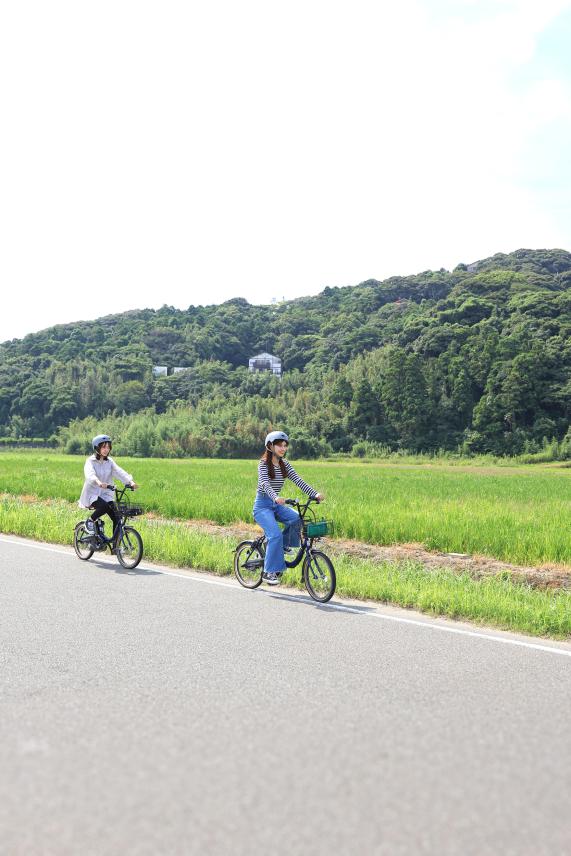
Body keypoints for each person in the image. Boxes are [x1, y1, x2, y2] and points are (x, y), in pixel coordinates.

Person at [253, 430, 324, 585]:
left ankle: (281, 546)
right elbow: (265, 484)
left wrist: (315, 494)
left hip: (275, 505)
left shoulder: (285, 465)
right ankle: (268, 572)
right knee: (275, 535)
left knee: (296, 518)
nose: (283, 448)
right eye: (279, 445)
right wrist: (276, 497)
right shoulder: (263, 464)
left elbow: (299, 481)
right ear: (270, 446)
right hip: (262, 506)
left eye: (285, 446)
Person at [78, 435, 138, 548]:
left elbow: (119, 472)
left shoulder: (109, 462)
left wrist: (131, 482)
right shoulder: (90, 461)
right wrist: (98, 482)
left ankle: (115, 545)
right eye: (103, 447)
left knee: (117, 517)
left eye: (108, 447)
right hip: (92, 493)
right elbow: (90, 474)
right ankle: (90, 521)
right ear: (97, 448)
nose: (106, 450)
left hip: (105, 494)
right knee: (104, 507)